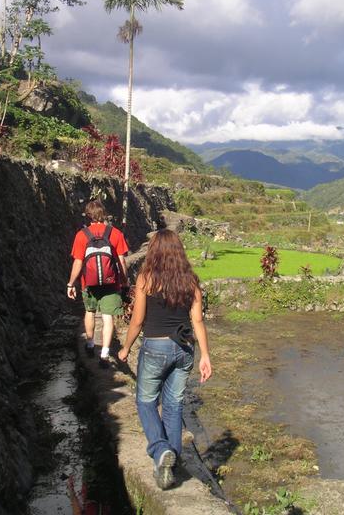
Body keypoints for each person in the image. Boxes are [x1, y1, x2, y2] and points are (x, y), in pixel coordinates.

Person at [118, 229, 212, 490]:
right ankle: (173, 464)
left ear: (154, 251)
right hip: (184, 349)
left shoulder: (146, 278)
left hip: (155, 348)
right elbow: (198, 321)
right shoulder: (190, 281)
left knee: (146, 401)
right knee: (173, 405)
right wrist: (205, 356)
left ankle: (160, 451)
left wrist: (125, 347)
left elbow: (137, 320)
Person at [67, 199, 129, 368]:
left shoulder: (82, 235)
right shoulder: (115, 233)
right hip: (111, 283)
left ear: (88, 216)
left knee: (90, 311)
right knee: (108, 317)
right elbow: (121, 262)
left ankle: (89, 344)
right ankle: (105, 354)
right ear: (104, 214)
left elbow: (78, 263)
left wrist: (71, 284)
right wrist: (124, 282)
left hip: (89, 283)